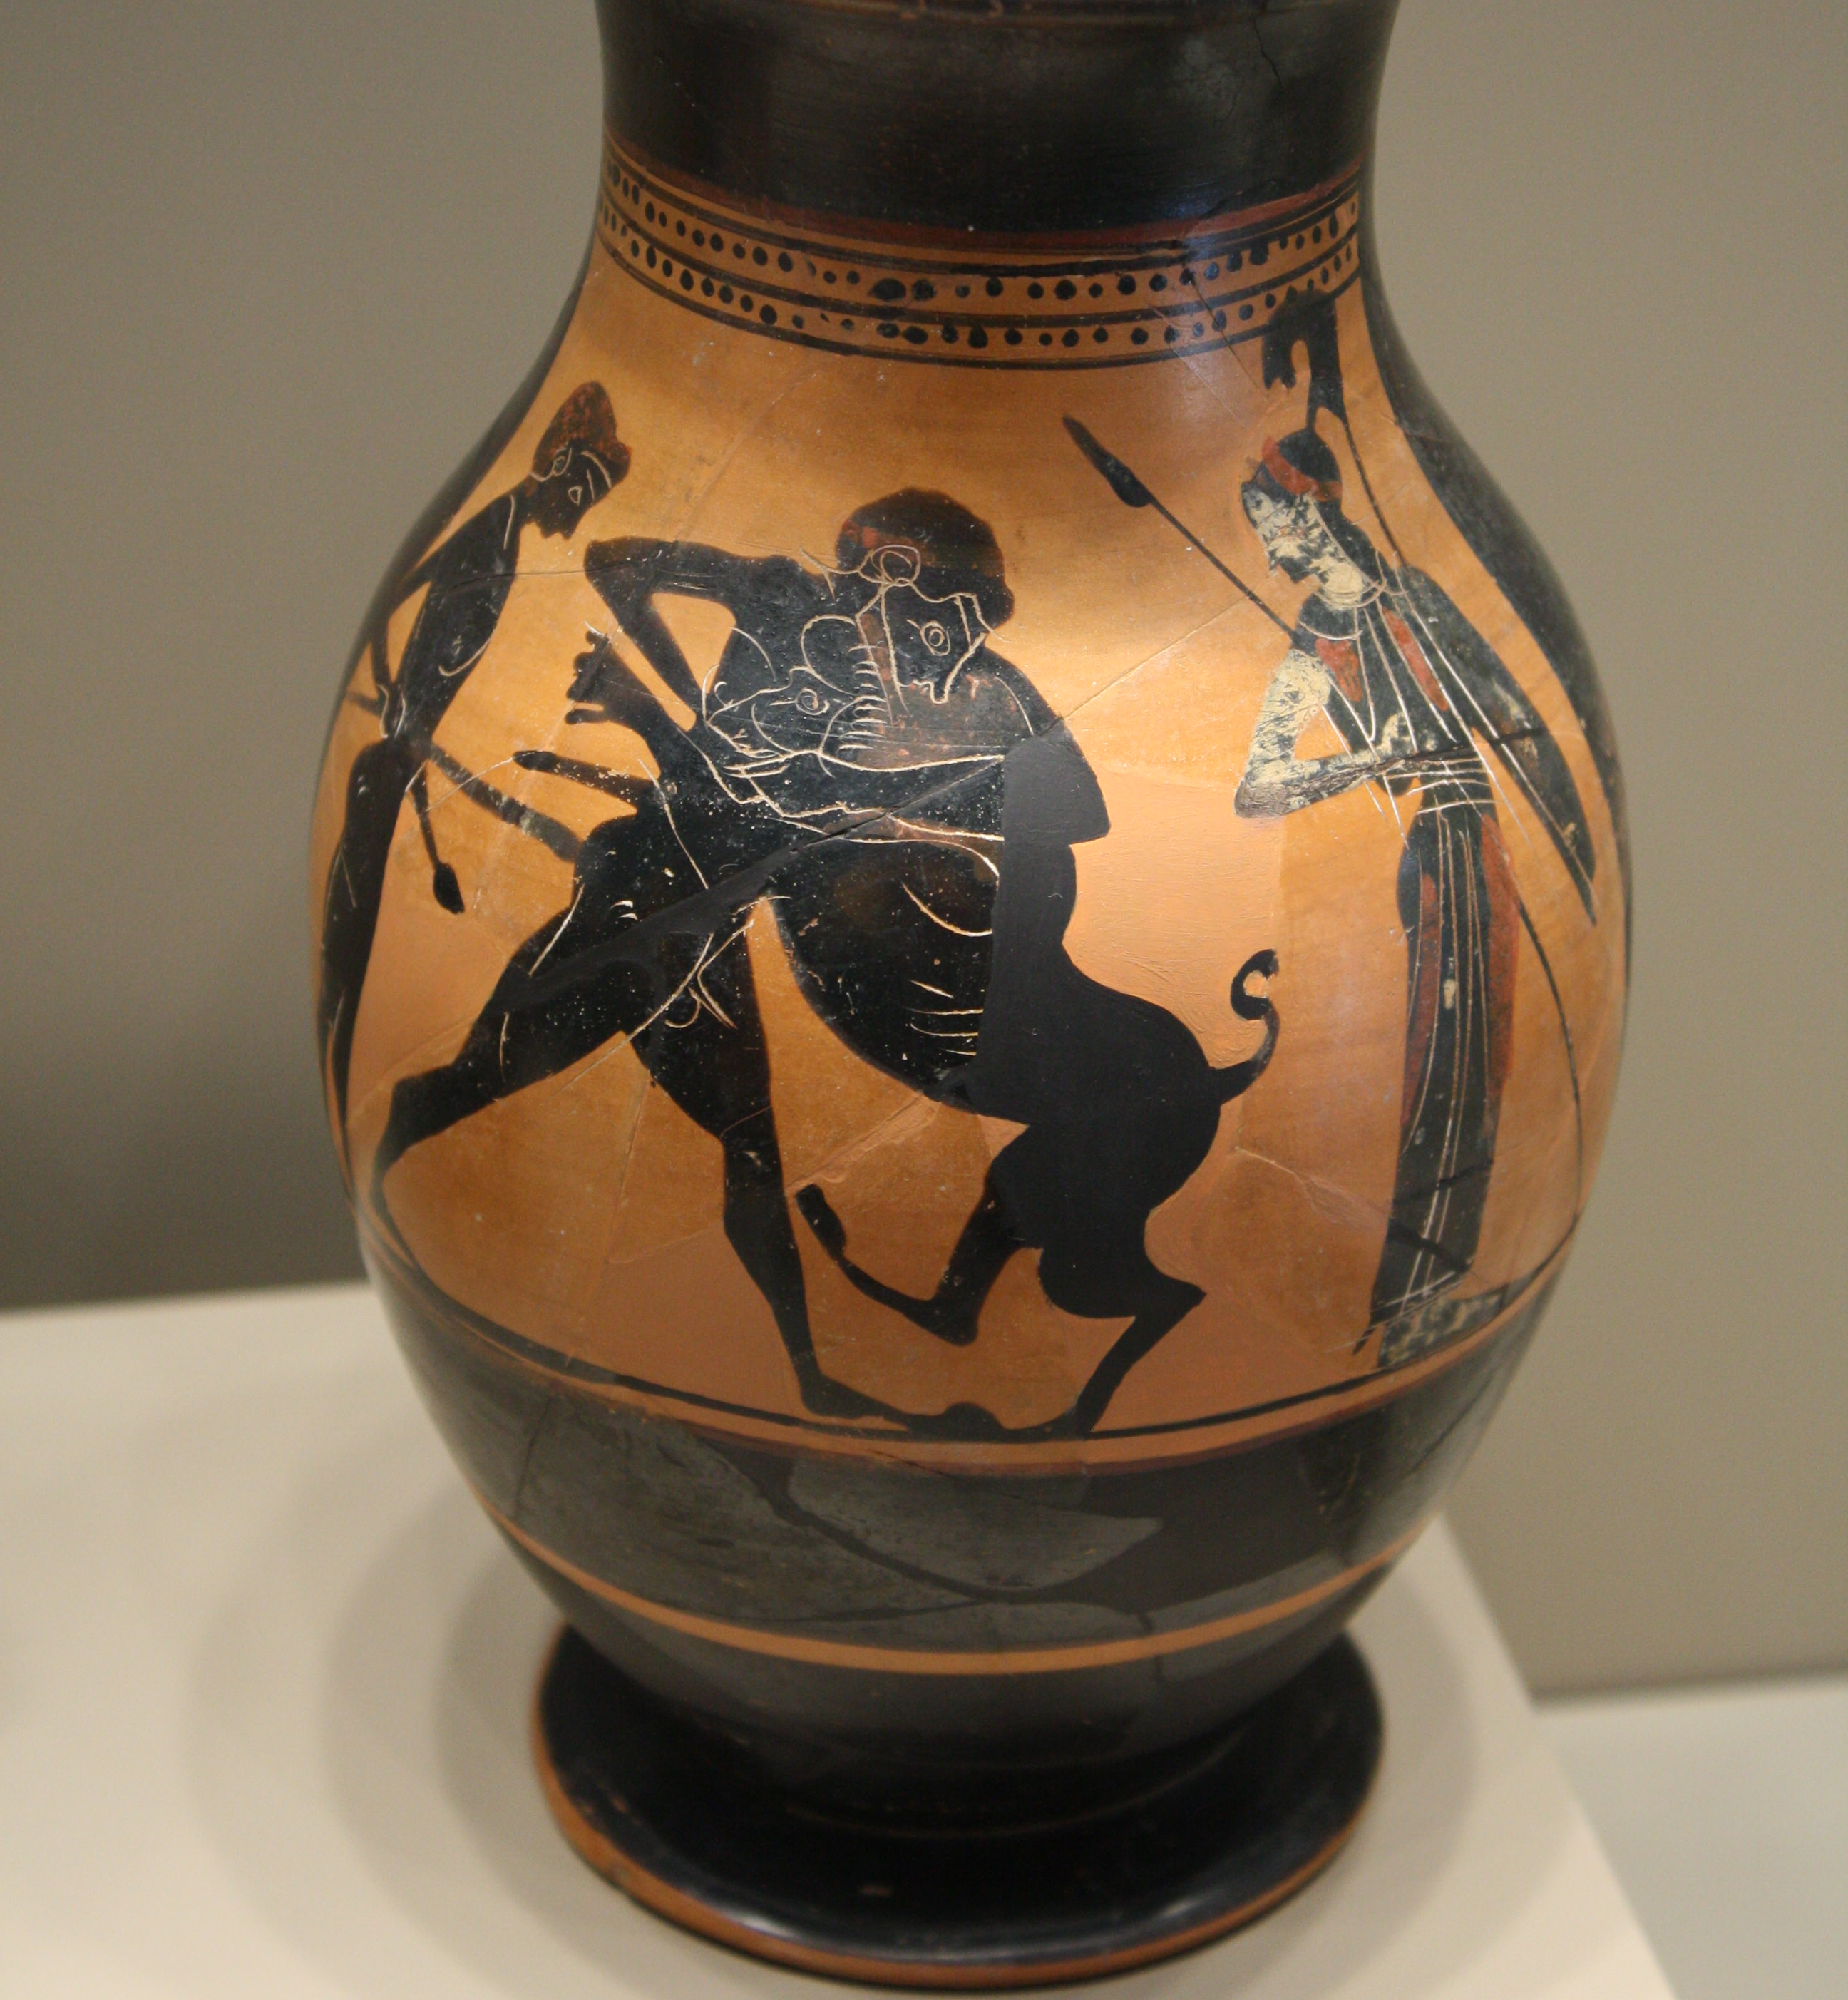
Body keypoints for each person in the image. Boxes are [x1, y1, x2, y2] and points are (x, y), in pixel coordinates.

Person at [369, 489, 1277, 1430]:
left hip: (896, 976)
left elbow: (1059, 810)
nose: (883, 618)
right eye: (867, 587)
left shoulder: (988, 702)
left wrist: (902, 756)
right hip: (672, 915)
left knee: (762, 1156)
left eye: (942, 611)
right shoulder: (810, 645)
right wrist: (685, 691)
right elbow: (629, 589)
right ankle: (833, 1365)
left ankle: (832, 1371)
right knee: (546, 1086)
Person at [1235, 428, 1593, 1359]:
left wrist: (1571, 837)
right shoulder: (1315, 643)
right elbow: (1258, 786)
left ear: (1312, 508)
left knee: (1488, 1056)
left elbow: (1510, 706)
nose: (1268, 553)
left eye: (1271, 525)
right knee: (1442, 1054)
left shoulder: (1419, 598)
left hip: (1487, 843)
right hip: (1433, 849)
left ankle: (1446, 1282)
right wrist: (1365, 763)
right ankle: (1412, 1293)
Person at [316, 381, 628, 1157]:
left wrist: (411, 726)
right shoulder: (488, 536)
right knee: (350, 952)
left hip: (400, 761)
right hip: (386, 765)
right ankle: (347, 1064)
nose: (574, 516)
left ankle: (349, 1067)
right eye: (578, 493)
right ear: (554, 465)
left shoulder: (506, 544)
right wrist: (394, 699)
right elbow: (411, 610)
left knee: (356, 944)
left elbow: (421, 672)